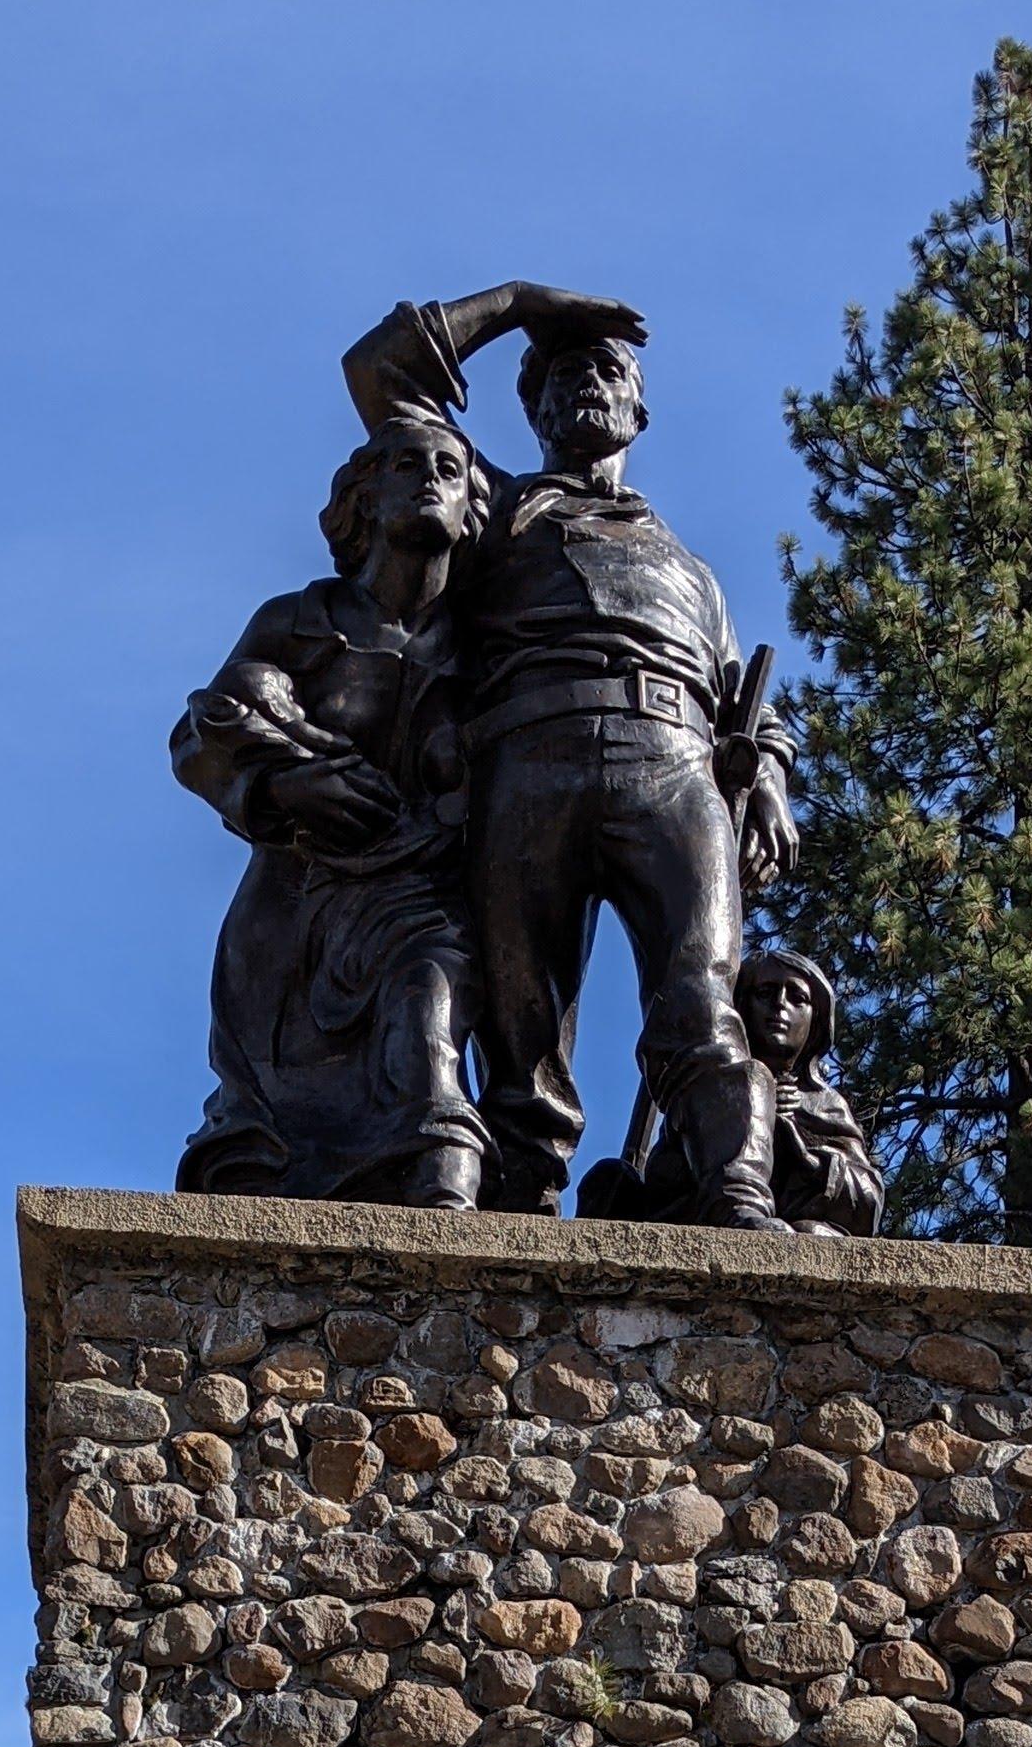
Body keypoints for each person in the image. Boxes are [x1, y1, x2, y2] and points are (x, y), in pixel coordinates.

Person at [341, 284, 798, 1224]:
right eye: (562, 371)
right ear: (534, 407)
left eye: (608, 368)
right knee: (520, 1030)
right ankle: (519, 1206)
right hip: (525, 762)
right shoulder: (490, 504)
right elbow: (379, 374)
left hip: (676, 767)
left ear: (638, 409)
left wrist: (774, 783)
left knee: (702, 1000)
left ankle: (738, 1189)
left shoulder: (694, 573)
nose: (587, 379)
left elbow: (751, 708)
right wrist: (517, 303)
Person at [170, 405, 491, 1208]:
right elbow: (194, 740)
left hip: (421, 900)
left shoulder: (490, 642)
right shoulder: (297, 622)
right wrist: (279, 786)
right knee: (267, 1146)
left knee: (427, 1029)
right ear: (365, 499)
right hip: (292, 911)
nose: (429, 481)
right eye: (406, 465)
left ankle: (450, 1235)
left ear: (470, 509)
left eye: (449, 470)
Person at [588, 948, 884, 1234]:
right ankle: (736, 1209)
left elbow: (868, 1203)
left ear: (815, 1021)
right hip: (691, 1219)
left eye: (797, 998)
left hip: (798, 1229)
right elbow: (665, 1177)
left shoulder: (825, 1104)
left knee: (814, 1236)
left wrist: (810, 1161)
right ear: (741, 1006)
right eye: (765, 993)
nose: (780, 1004)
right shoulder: (707, 1088)